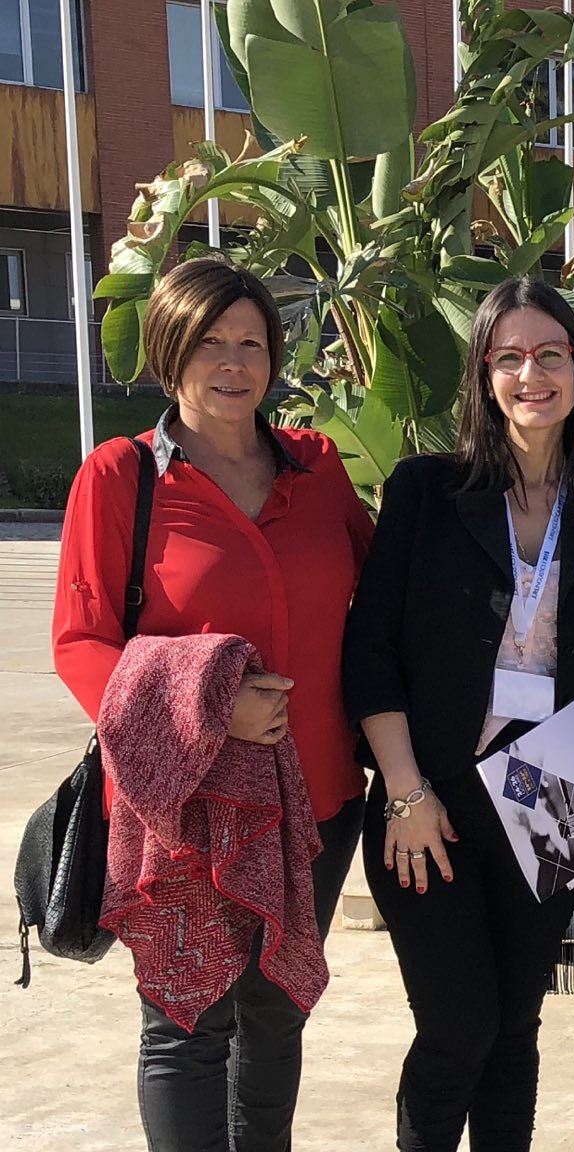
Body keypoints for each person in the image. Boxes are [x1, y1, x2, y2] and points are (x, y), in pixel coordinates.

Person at [50, 256, 373, 1152]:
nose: (234, 363)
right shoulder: (124, 477)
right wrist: (208, 710)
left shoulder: (315, 466)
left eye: (252, 344)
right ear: (170, 350)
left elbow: (387, 591)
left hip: (319, 798)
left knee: (275, 1019)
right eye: (211, 343)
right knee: (188, 1029)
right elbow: (80, 643)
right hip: (185, 804)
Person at [343, 277, 574, 1152]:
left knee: (515, 1028)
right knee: (456, 1029)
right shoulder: (424, 491)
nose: (532, 374)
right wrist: (404, 793)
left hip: (549, 795)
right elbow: (370, 654)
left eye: (550, 354)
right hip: (429, 799)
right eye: (510, 357)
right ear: (484, 373)